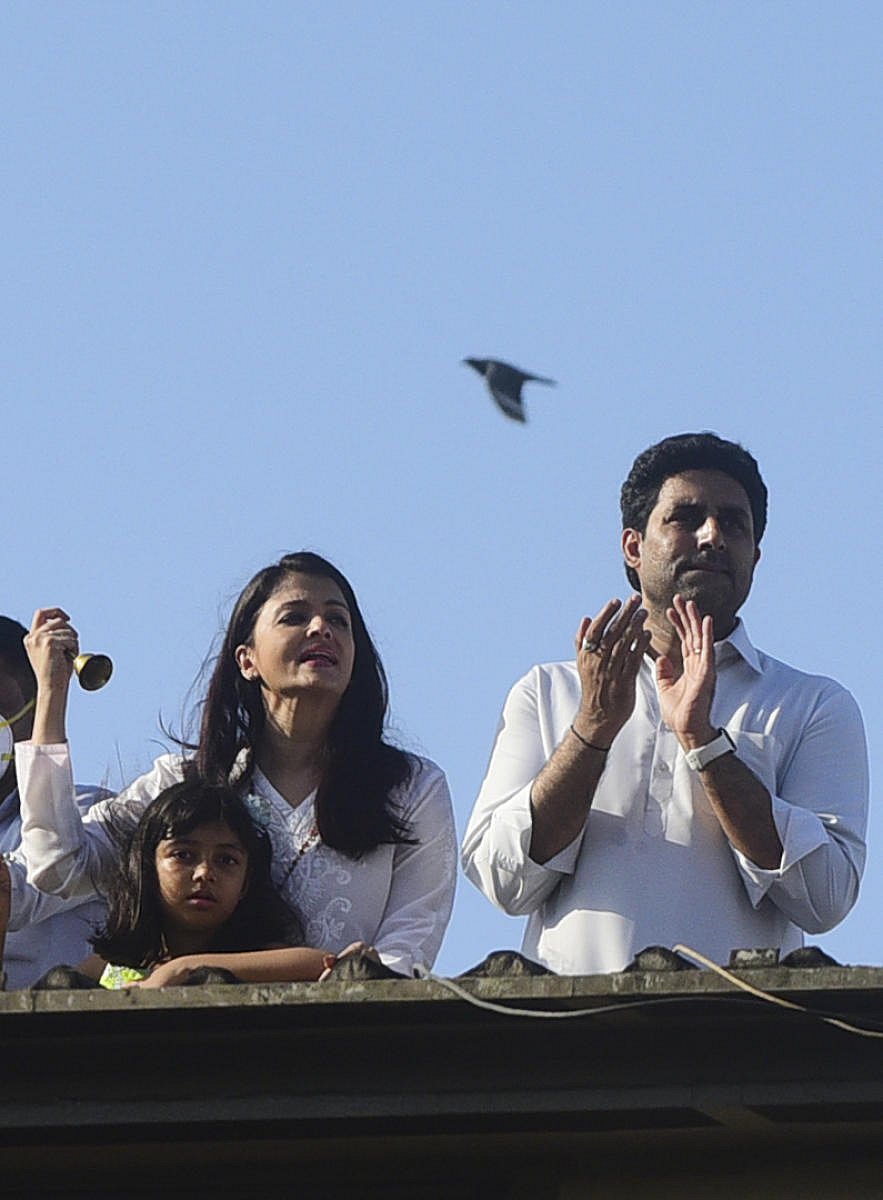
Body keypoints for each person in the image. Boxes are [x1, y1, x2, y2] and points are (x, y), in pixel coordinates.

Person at [462, 433, 869, 974]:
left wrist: (705, 744)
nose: (713, 537)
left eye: (734, 523)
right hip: (565, 1041)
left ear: (756, 555)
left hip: (741, 1041)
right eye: (686, 517)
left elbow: (825, 899)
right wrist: (593, 727)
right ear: (633, 546)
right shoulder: (548, 692)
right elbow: (501, 879)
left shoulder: (812, 704)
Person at [18, 552, 457, 977]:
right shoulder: (185, 782)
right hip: (203, 1041)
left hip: (345, 1040)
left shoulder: (411, 787)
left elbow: (409, 946)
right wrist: (52, 694)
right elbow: (58, 866)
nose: (321, 628)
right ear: (247, 659)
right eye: (295, 617)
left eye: (338, 620)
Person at [73, 777, 367, 988]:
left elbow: (320, 962)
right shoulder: (109, 966)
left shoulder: (254, 962)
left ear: (246, 883)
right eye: (184, 855)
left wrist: (184, 968)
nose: (204, 873)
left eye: (226, 860)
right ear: (148, 867)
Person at [0, 616, 106, 988]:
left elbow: (35, 881)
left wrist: (54, 690)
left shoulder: (86, 814)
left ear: (34, 709)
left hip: (56, 1037)